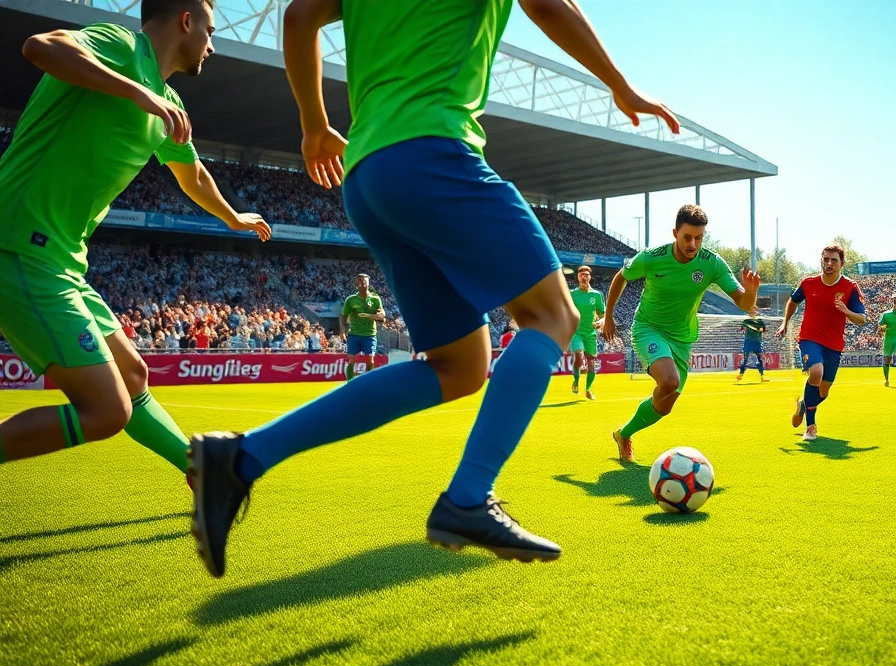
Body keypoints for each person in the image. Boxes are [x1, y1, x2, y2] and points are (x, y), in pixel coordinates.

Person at [188, 0, 679, 578]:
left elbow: (298, 17)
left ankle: (242, 456)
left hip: (367, 177)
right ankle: (469, 496)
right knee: (553, 317)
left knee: (460, 366)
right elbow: (549, 4)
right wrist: (619, 86)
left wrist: (315, 125)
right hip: (434, 152)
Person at [0, 0, 271, 472]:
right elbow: (40, 46)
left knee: (133, 374)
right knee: (106, 411)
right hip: (21, 245)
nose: (211, 45)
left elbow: (194, 176)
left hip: (62, 260)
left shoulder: (169, 102)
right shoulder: (123, 45)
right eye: (209, 30)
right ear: (186, 21)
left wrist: (233, 218)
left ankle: (201, 473)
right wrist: (136, 93)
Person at [604, 205, 760, 461]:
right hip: (648, 329)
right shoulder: (652, 257)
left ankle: (623, 434)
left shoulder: (712, 263)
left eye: (699, 238)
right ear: (675, 233)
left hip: (682, 338)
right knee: (669, 382)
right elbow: (622, 276)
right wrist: (609, 315)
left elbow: (743, 303)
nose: (693, 244)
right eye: (687, 237)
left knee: (665, 406)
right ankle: (648, 403)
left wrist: (751, 291)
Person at [778, 245, 867, 440]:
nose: (829, 263)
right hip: (809, 338)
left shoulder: (849, 287)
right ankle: (810, 426)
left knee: (823, 391)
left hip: (834, 345)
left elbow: (862, 319)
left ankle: (804, 404)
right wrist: (785, 323)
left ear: (842, 263)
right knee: (816, 372)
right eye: (825, 259)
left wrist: (846, 311)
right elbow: (793, 302)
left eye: (834, 260)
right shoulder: (808, 283)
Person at [568, 265, 605, 399]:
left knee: (591, 364)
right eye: (581, 275)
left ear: (590, 277)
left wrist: (601, 322)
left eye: (586, 275)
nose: (583, 277)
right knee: (578, 358)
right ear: (578, 277)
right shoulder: (572, 294)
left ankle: (588, 389)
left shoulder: (597, 295)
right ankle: (576, 381)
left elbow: (602, 314)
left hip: (590, 333)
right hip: (576, 332)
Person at [340, 272, 383, 379]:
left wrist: (370, 315)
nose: (361, 282)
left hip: (369, 334)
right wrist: (342, 330)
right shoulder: (350, 300)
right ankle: (349, 385)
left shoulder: (375, 299)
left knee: (370, 360)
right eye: (358, 280)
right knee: (351, 359)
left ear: (368, 283)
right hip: (354, 334)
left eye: (363, 280)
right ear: (356, 284)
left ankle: (370, 383)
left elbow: (382, 317)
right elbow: (343, 315)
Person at [735, 307, 768, 383]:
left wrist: (760, 330)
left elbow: (763, 330)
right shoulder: (746, 321)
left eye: (753, 310)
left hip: (757, 342)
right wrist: (741, 329)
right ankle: (740, 374)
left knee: (759, 358)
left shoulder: (760, 321)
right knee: (745, 359)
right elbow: (742, 328)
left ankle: (762, 376)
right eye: (750, 310)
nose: (752, 312)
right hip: (748, 342)